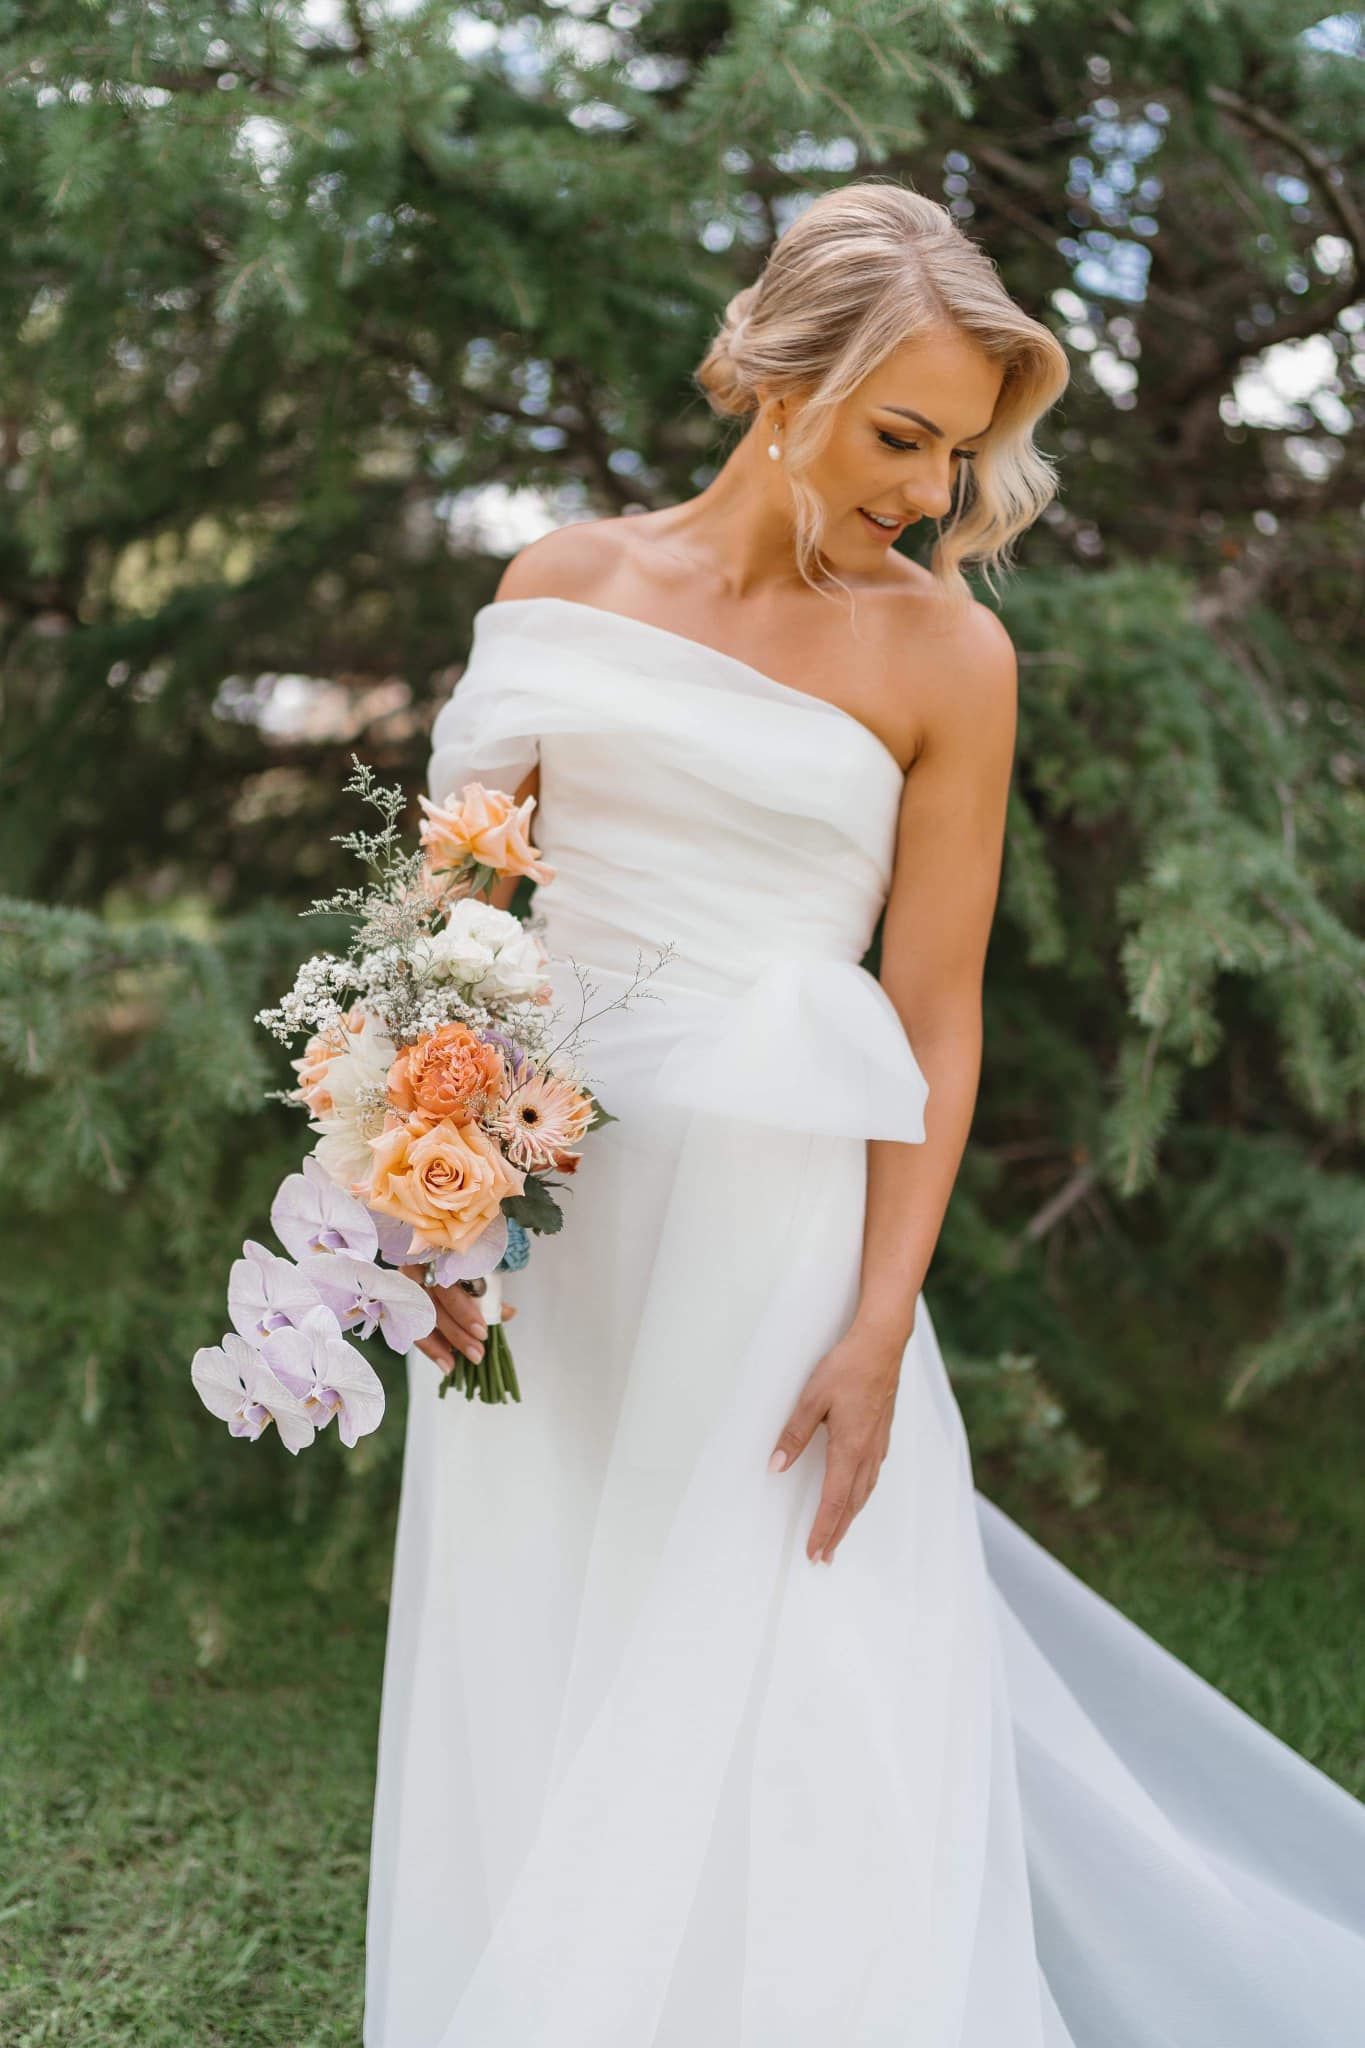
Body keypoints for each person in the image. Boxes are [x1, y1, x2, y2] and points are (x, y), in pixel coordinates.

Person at [363, 182, 1365, 2048]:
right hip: (538, 1214)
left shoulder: (946, 657)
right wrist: (403, 1192)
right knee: (544, 1616)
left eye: (961, 451)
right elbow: (441, 923)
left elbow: (935, 1008)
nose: (926, 489)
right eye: (901, 434)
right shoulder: (562, 586)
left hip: (775, 1222)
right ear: (770, 373)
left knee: (793, 1656)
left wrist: (880, 1314)